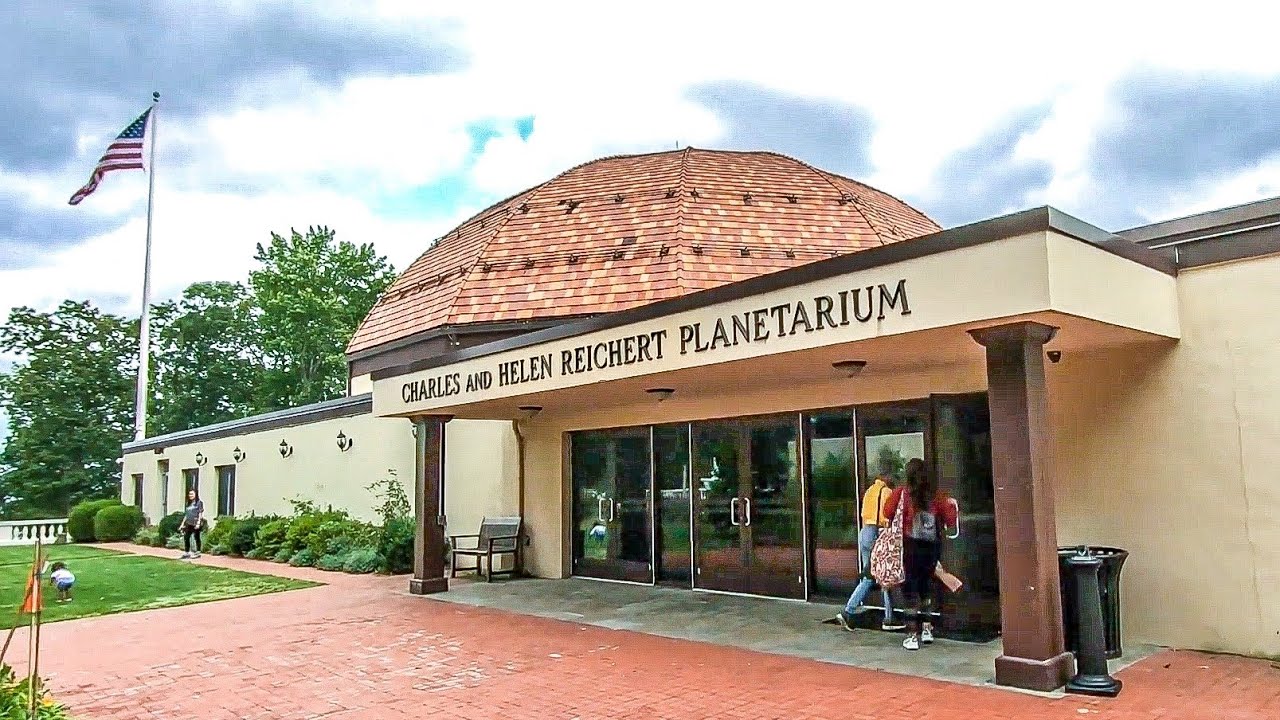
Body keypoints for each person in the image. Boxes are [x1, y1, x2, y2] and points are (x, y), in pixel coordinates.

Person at [882, 457, 958, 650]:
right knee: (926, 587)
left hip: (909, 546)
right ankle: (927, 629)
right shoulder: (936, 496)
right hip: (931, 548)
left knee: (910, 590)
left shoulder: (902, 493)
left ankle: (911, 635)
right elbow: (949, 519)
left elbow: (887, 512)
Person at [836, 463, 906, 632]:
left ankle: (850, 610)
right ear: (887, 478)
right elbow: (889, 516)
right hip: (877, 534)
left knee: (870, 576)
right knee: (884, 575)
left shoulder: (869, 491)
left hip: (865, 532)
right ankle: (888, 618)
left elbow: (863, 513)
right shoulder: (887, 492)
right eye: (892, 478)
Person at [180, 489, 205, 559]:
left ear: (196, 494)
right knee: (186, 537)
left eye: (192, 494)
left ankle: (198, 552)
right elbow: (186, 515)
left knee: (196, 537)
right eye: (189, 494)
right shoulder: (188, 503)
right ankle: (187, 552)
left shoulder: (199, 503)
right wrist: (182, 524)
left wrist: (198, 523)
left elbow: (200, 513)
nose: (190, 495)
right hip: (189, 523)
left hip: (196, 522)